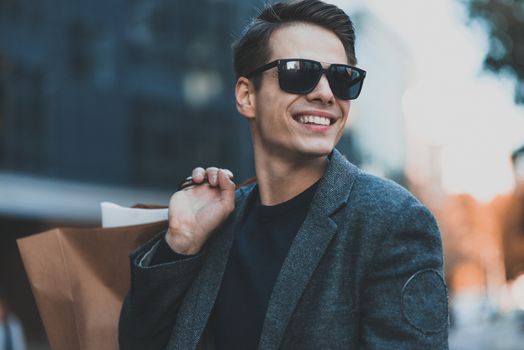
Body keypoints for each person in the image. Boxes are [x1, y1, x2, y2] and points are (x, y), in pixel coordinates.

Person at [119, 0, 449, 349]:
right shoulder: (214, 223)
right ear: (247, 95)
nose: (325, 94)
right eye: (299, 72)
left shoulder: (392, 222)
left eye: (341, 78)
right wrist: (181, 244)